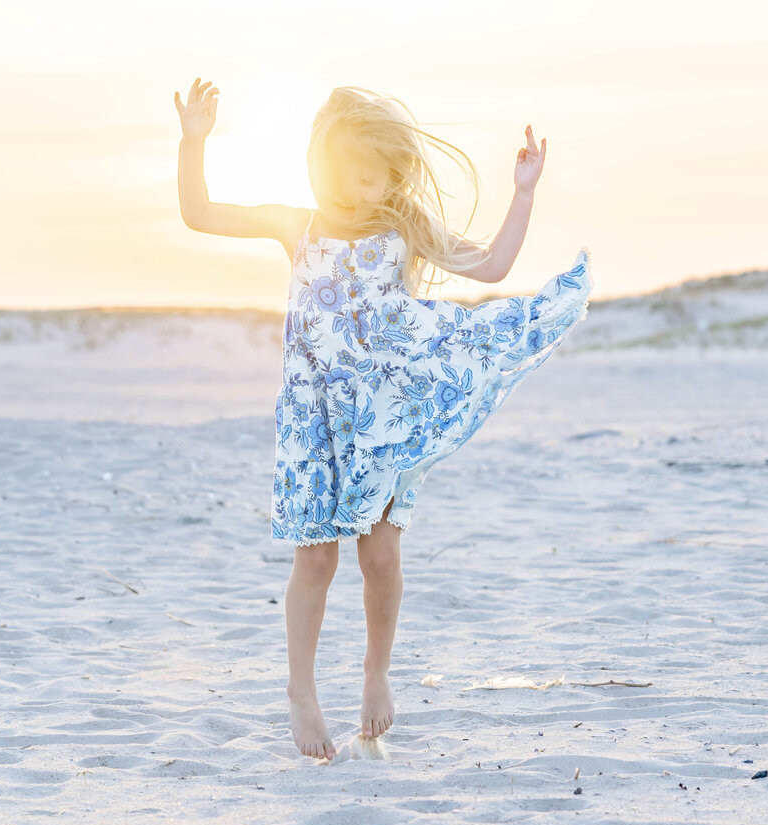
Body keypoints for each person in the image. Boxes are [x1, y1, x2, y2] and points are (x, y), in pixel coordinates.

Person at [175, 79, 593, 761]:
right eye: (344, 175)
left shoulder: (403, 229)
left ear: (391, 177)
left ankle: (375, 673)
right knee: (315, 559)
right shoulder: (296, 224)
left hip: (385, 417)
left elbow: (490, 265)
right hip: (316, 422)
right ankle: (301, 690)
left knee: (381, 556)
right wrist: (194, 144)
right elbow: (200, 214)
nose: (355, 190)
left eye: (372, 178)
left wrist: (522, 194)